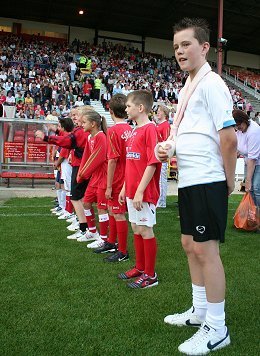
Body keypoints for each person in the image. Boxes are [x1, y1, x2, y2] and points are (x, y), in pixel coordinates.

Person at [156, 18, 237, 355]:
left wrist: (228, 182)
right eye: (176, 46)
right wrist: (168, 148)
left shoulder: (212, 83)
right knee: (190, 245)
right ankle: (200, 310)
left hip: (207, 179)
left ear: (204, 47)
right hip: (189, 179)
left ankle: (217, 329)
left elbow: (229, 138)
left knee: (205, 250)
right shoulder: (187, 86)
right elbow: (185, 134)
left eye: (186, 44)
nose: (179, 51)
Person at [118, 90, 161, 289]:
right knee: (136, 228)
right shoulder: (134, 129)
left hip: (143, 192)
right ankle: (140, 267)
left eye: (128, 106)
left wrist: (140, 190)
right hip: (132, 190)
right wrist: (125, 188)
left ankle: (151, 275)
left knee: (145, 229)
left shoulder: (151, 129)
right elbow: (131, 163)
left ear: (140, 108)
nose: (125, 109)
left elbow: (152, 163)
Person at [35, 106, 90, 240]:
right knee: (80, 198)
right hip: (80, 166)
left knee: (79, 198)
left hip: (81, 167)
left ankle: (86, 228)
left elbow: (67, 141)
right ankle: (85, 226)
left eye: (76, 115)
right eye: (73, 115)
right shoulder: (80, 131)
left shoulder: (82, 132)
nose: (74, 118)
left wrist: (47, 138)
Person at [94, 94, 132, 261]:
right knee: (113, 210)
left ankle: (122, 251)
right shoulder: (131, 129)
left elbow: (112, 160)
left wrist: (109, 185)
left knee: (118, 213)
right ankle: (111, 241)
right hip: (128, 175)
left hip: (117, 177)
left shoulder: (113, 131)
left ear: (110, 111)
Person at [76, 109, 109, 246]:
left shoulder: (101, 136)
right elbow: (86, 157)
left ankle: (104, 238)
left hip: (103, 177)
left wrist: (84, 173)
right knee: (86, 203)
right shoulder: (90, 137)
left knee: (102, 208)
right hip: (95, 177)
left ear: (94, 124)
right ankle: (92, 231)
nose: (81, 124)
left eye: (84, 122)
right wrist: (80, 173)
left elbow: (98, 158)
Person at [232, 109, 260, 225]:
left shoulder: (254, 131)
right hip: (248, 161)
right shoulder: (239, 130)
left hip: (257, 162)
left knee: (256, 188)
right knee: (251, 190)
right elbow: (240, 148)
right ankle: (253, 216)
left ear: (244, 121)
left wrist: (247, 180)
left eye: (239, 126)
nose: (238, 129)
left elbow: (253, 159)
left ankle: (258, 215)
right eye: (236, 127)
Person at [156, 104, 171, 208]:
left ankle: (162, 201)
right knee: (159, 179)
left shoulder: (165, 125)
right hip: (157, 154)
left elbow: (166, 141)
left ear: (165, 113)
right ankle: (159, 200)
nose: (158, 112)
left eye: (160, 111)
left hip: (162, 155)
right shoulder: (159, 125)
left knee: (161, 179)